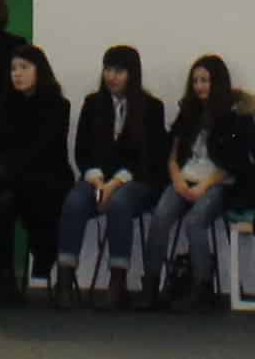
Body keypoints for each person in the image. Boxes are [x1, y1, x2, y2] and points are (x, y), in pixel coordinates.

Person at [58, 44, 172, 302]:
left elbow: (150, 158)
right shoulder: (92, 103)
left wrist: (115, 183)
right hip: (97, 178)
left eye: (119, 71)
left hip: (136, 181)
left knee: (120, 203)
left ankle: (117, 281)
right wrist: (96, 179)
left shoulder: (152, 107)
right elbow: (82, 151)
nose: (112, 76)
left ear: (132, 74)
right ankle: (65, 277)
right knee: (74, 201)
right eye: (108, 69)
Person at [0, 42, 78, 296]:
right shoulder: (6, 104)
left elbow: (41, 151)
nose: (17, 74)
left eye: (24, 67)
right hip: (10, 179)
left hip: (47, 178)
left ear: (40, 70)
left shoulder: (58, 105)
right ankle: (3, 274)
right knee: (2, 198)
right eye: (13, 68)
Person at [154, 53, 255, 307]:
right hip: (185, 178)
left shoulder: (236, 116)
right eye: (195, 81)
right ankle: (151, 282)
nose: (199, 86)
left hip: (217, 182)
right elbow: (173, 154)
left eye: (205, 80)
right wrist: (177, 180)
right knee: (159, 217)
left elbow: (235, 164)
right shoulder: (187, 112)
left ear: (218, 82)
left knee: (195, 222)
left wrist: (203, 186)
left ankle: (202, 285)